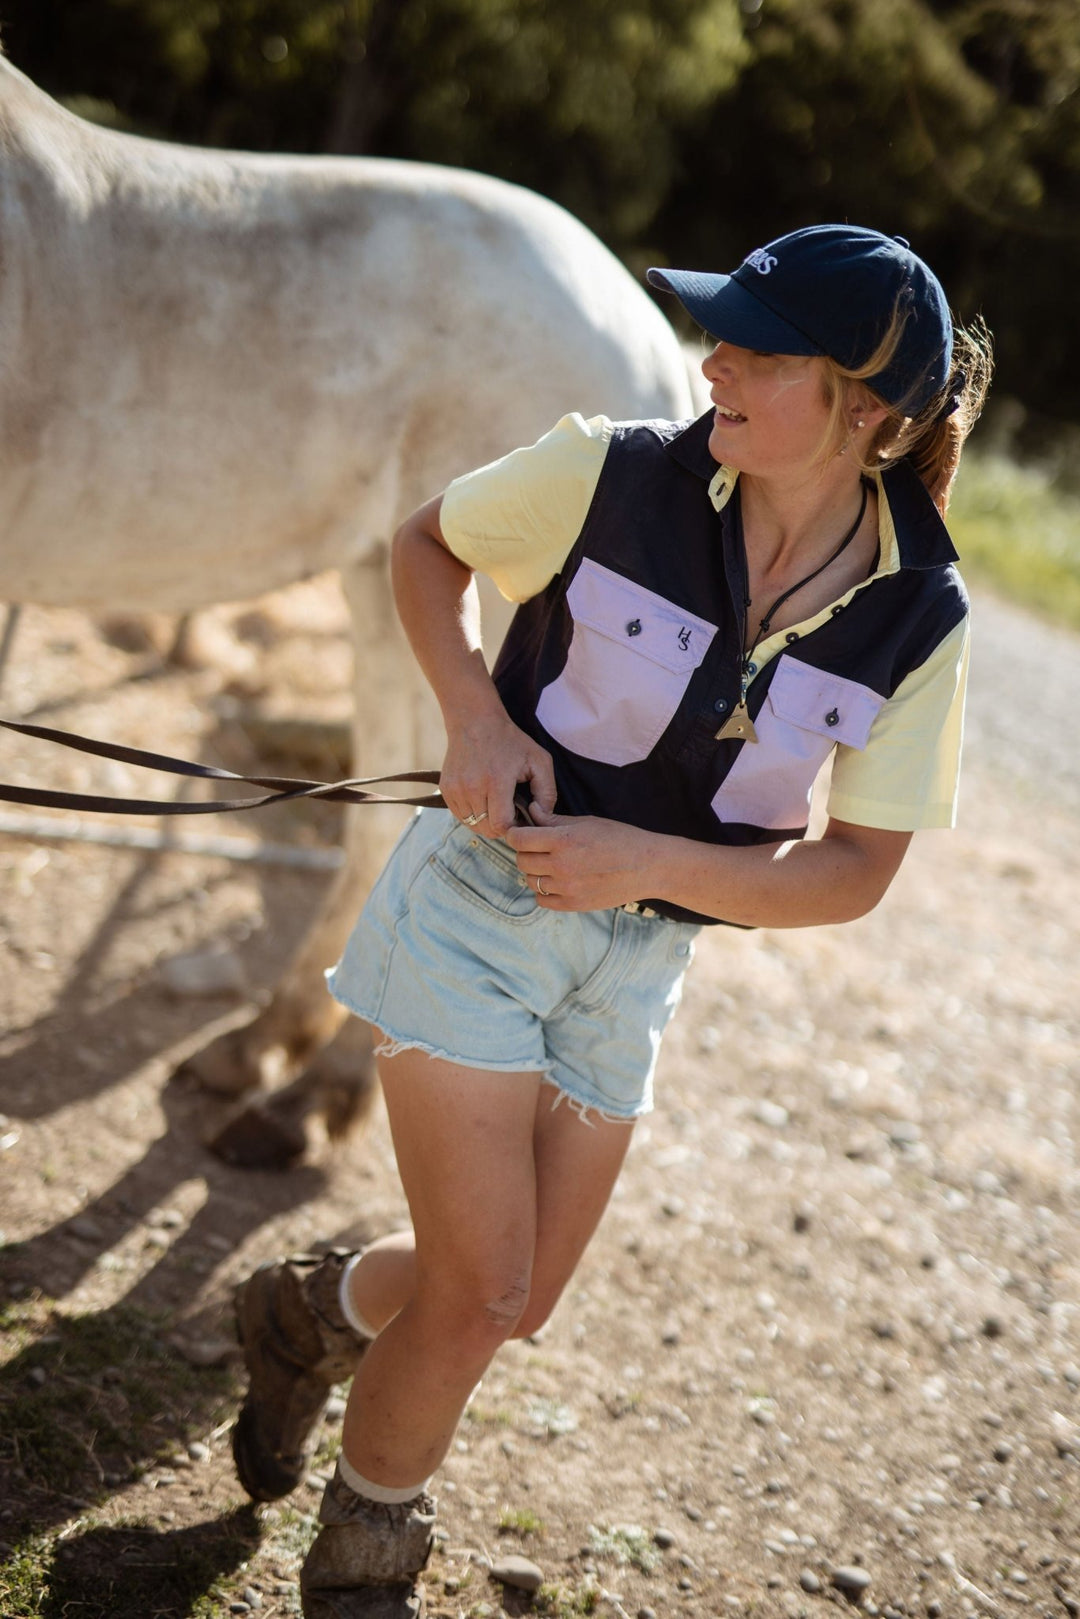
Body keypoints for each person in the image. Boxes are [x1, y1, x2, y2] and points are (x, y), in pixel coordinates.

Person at [229, 224, 992, 1617]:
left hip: (635, 969)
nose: (720, 361)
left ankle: (304, 1317)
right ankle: (365, 1562)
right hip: (475, 908)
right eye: (724, 332)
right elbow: (424, 549)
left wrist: (639, 857)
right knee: (477, 1291)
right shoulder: (607, 468)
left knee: (515, 1301)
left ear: (867, 410)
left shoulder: (920, 617)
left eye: (764, 351)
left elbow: (857, 868)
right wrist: (471, 714)